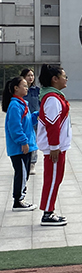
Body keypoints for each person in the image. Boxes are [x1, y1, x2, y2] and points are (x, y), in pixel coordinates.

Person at [37, 64, 71, 226]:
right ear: (54, 79)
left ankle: (49, 210)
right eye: (64, 76)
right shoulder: (51, 99)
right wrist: (54, 147)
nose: (66, 79)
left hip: (58, 147)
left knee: (55, 179)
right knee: (52, 179)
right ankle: (47, 214)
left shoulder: (54, 97)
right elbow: (52, 125)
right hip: (55, 149)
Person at [2, 76, 38, 212]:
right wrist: (23, 142)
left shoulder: (22, 104)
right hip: (20, 148)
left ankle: (20, 199)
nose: (26, 88)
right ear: (16, 88)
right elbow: (15, 127)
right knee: (21, 174)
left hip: (25, 146)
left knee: (24, 174)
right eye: (24, 85)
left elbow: (27, 122)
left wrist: (37, 115)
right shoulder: (15, 106)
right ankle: (18, 201)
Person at [20, 68, 40, 175]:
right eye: (28, 75)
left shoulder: (37, 90)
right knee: (24, 142)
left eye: (32, 75)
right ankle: (24, 163)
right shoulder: (20, 91)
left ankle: (32, 164)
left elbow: (41, 104)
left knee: (33, 143)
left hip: (35, 121)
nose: (31, 77)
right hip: (24, 121)